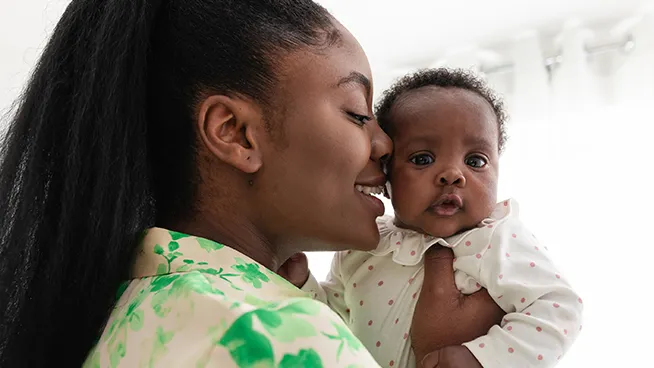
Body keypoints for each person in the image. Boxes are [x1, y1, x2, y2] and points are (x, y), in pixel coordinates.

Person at [0, 1, 505, 367]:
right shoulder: (281, 337)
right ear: (235, 133)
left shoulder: (121, 308)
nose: (385, 146)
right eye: (357, 114)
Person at [299, 69, 584, 367]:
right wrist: (302, 284)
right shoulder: (364, 246)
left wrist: (482, 357)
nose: (452, 174)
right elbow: (333, 323)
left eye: (475, 161)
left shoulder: (495, 238)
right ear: (386, 173)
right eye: (423, 159)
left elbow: (559, 308)